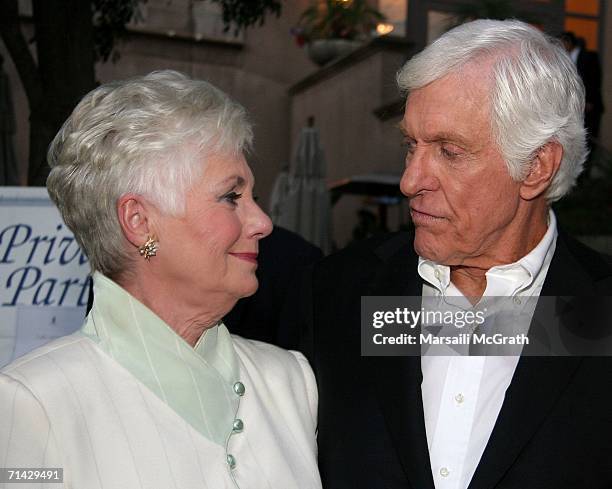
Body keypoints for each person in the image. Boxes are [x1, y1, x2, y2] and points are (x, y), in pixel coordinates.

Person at [302, 20, 612, 489]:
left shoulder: (601, 315)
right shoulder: (339, 292)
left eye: (449, 151)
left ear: (536, 167)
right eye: (411, 146)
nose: (410, 181)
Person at [0, 71, 322, 489]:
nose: (262, 222)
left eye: (254, 198)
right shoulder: (33, 403)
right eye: (231, 197)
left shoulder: (290, 381)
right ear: (139, 221)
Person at [560, 31, 604, 178]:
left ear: (569, 42)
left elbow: (594, 81)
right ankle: (575, 176)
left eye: (563, 43)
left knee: (589, 140)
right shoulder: (563, 59)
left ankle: (586, 175)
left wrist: (588, 101)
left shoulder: (589, 56)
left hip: (589, 107)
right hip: (573, 108)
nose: (561, 46)